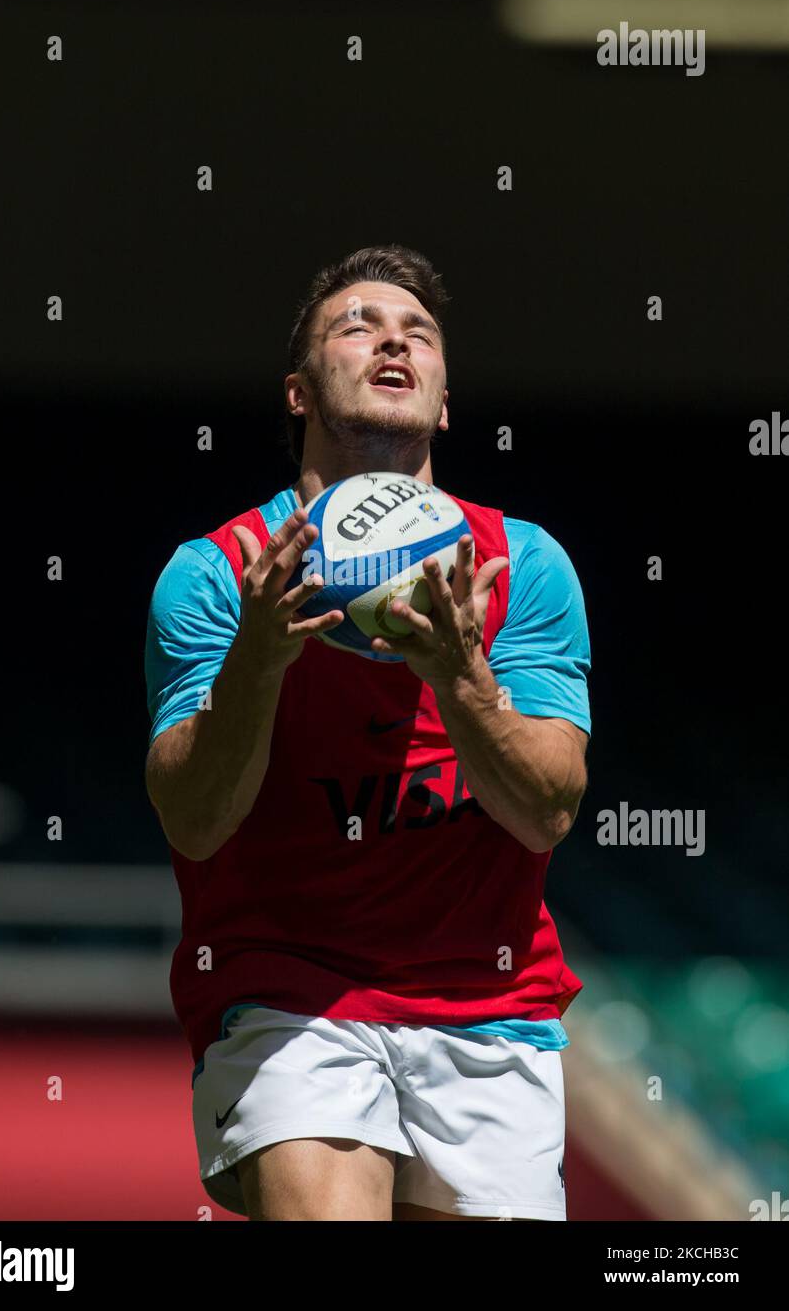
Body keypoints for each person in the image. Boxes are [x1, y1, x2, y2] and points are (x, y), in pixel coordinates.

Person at [144, 245, 591, 1221]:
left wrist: (457, 677)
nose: (391, 337)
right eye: (356, 323)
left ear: (439, 405)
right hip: (290, 992)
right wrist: (259, 657)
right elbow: (194, 820)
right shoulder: (219, 577)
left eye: (417, 333)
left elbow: (545, 810)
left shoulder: (523, 567)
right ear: (298, 394)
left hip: (487, 1005)